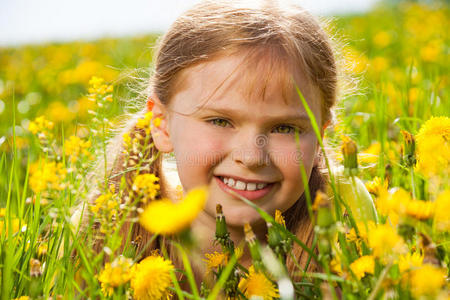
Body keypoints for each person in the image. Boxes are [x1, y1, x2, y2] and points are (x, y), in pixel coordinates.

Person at [76, 0, 377, 289]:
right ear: (161, 124)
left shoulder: (343, 208)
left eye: (284, 128)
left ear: (320, 138)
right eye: (220, 121)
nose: (251, 156)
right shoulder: (101, 231)